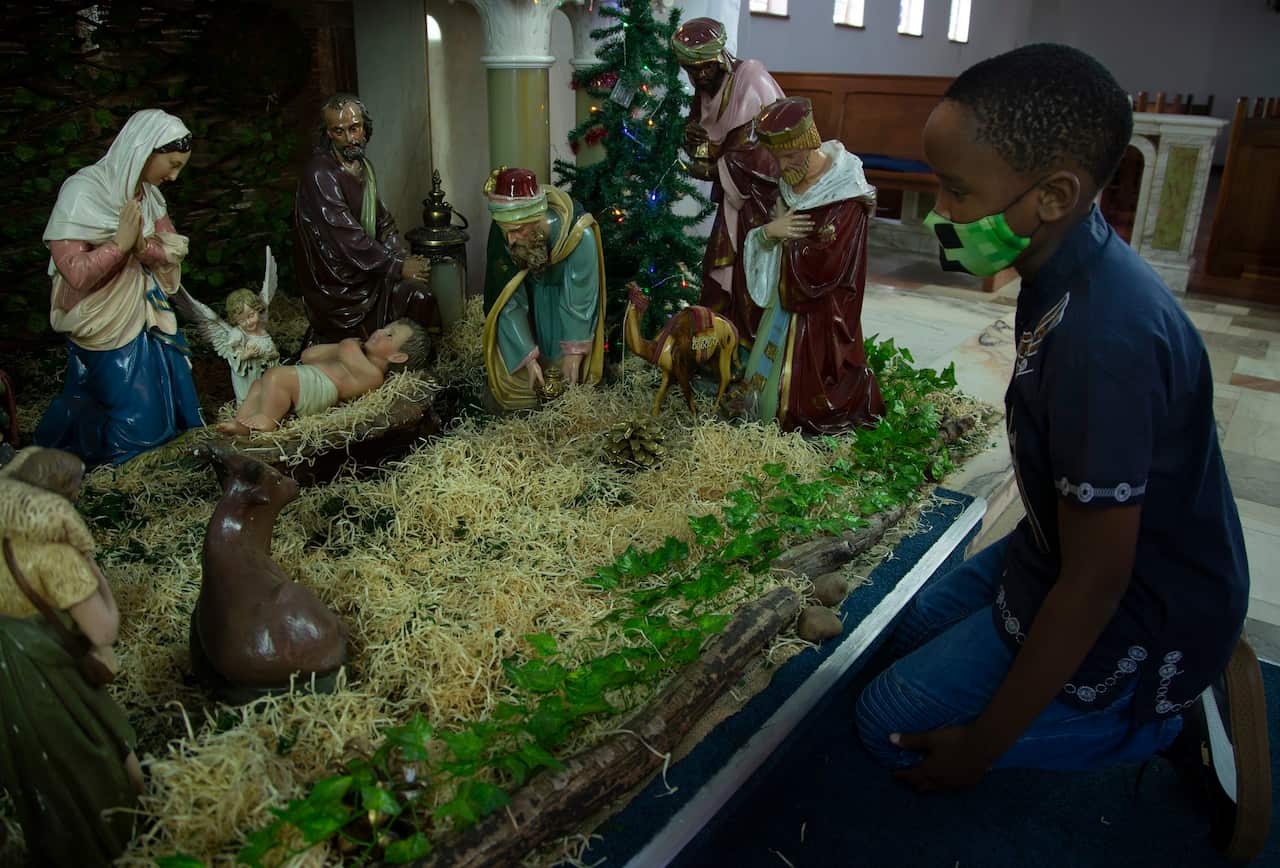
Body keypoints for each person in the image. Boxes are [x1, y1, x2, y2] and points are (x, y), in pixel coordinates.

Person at [854, 44, 1268, 861]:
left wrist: (983, 748)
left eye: (958, 191)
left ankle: (1153, 721)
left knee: (884, 721)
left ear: (1053, 196)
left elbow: (1098, 580)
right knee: (891, 632)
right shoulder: (1061, 263)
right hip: (1055, 549)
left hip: (1141, 599)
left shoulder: (1101, 345)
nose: (941, 210)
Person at [36, 109, 204, 468]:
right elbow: (76, 275)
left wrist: (143, 248)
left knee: (172, 388)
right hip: (102, 321)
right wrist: (120, 246)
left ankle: (166, 455)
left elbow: (172, 246)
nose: (174, 176)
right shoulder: (83, 192)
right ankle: (125, 467)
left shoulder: (148, 196)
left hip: (144, 309)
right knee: (134, 415)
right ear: (145, 151)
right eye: (172, 164)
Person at [0, 447, 142, 867]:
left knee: (32, 762)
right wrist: (93, 571)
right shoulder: (55, 555)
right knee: (90, 747)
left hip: (7, 668)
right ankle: (112, 835)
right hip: (48, 671)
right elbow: (103, 629)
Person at [739, 97, 883, 434]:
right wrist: (767, 234)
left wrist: (783, 240)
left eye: (790, 156)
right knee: (764, 392)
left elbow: (829, 261)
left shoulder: (845, 190)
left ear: (810, 145)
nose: (783, 166)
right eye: (778, 157)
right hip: (786, 300)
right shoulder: (791, 179)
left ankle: (807, 412)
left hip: (822, 309)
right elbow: (777, 223)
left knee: (807, 390)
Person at [671, 17, 784, 351]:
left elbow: (760, 155)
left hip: (761, 202)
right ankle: (723, 345)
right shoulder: (705, 90)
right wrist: (693, 140)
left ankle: (749, 348)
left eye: (706, 67)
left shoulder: (752, 82)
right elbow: (707, 137)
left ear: (720, 57)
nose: (700, 77)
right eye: (692, 71)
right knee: (719, 272)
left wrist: (708, 169)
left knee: (749, 276)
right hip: (735, 201)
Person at [294, 93, 441, 344]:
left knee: (421, 296)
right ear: (328, 133)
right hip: (341, 285)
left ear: (365, 127)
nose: (350, 139)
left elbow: (383, 222)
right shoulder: (320, 173)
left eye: (354, 128)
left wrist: (401, 255)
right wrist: (397, 267)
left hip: (370, 268)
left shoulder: (363, 166)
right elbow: (346, 237)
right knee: (414, 297)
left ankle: (413, 364)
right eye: (339, 132)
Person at [481, 167, 606, 411]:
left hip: (566, 312)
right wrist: (528, 359)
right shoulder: (506, 233)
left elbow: (580, 298)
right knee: (519, 391)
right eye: (507, 231)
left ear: (538, 220)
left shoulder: (578, 236)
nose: (511, 240)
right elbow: (508, 300)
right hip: (531, 306)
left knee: (572, 378)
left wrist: (574, 354)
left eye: (519, 231)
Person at [216, 318, 428, 435]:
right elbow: (308, 355)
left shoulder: (373, 375)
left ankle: (267, 420)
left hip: (322, 389)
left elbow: (347, 349)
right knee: (258, 385)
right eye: (384, 327)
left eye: (389, 335)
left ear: (398, 357)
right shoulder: (351, 352)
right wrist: (342, 347)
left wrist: (350, 344)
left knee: (275, 376)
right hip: (310, 379)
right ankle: (241, 424)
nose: (380, 331)